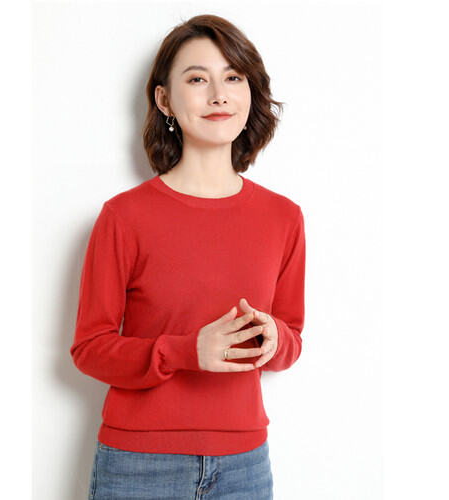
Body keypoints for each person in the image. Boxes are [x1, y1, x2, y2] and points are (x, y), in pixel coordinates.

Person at [70, 14, 306, 500]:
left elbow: (291, 340)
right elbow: (89, 348)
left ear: (250, 93)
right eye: (198, 79)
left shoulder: (284, 217)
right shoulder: (124, 216)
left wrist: (273, 338)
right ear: (164, 100)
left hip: (245, 465)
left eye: (233, 78)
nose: (219, 95)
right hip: (139, 465)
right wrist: (185, 352)